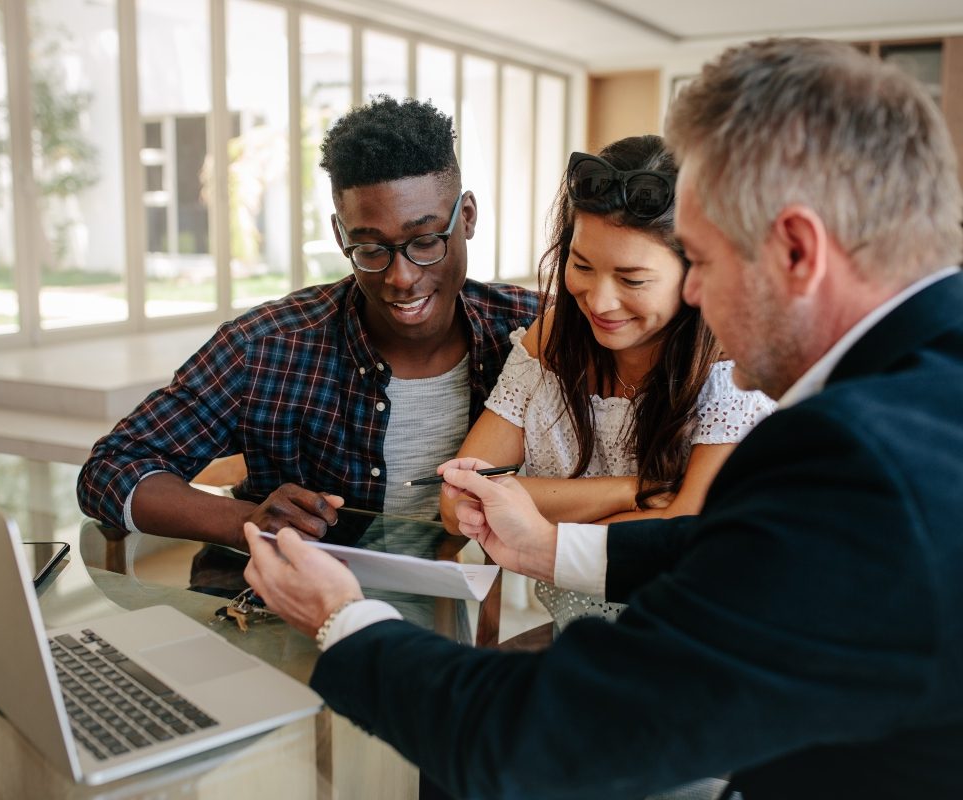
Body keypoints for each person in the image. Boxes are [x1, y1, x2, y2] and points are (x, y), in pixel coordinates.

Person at [242, 37, 963, 799]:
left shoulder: (859, 457)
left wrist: (342, 619)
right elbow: (725, 542)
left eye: (705, 263)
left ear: (795, 251)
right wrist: (552, 550)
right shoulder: (926, 390)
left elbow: (537, 743)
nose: (693, 299)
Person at [76, 96, 539, 549]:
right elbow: (110, 469)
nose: (402, 277)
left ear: (469, 217)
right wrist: (245, 521)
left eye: (425, 241)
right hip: (282, 611)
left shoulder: (532, 332)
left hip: (456, 613)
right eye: (371, 249)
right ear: (340, 237)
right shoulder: (267, 348)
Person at [440, 135, 773, 632]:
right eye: (581, 265)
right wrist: (634, 491)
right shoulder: (551, 339)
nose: (599, 301)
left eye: (632, 279)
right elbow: (460, 502)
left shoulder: (731, 363)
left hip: (700, 649)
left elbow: (683, 533)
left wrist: (533, 515)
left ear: (696, 272)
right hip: (576, 643)